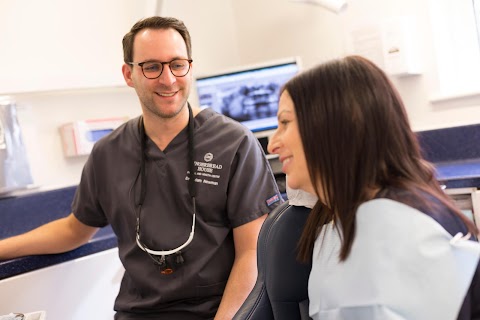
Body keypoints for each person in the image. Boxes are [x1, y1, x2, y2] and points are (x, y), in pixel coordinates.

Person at [0, 16, 283, 319]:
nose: (168, 79)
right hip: (138, 312)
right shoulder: (107, 154)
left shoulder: (234, 143)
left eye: (177, 64)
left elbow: (252, 253)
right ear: (128, 74)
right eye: (151, 67)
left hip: (216, 310)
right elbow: (73, 230)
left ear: (190, 66)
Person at [267, 55, 480, 319]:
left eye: (285, 123)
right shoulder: (336, 215)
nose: (272, 145)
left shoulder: (404, 229)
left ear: (335, 129)